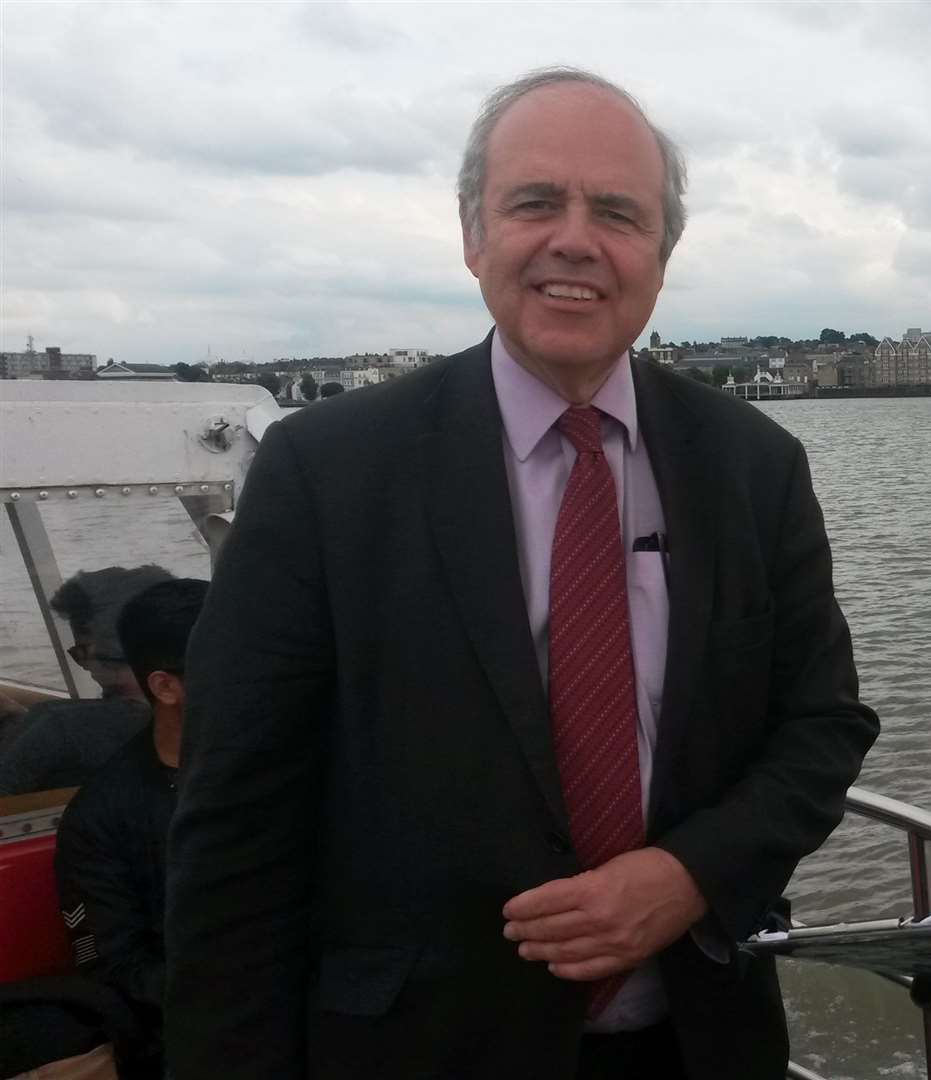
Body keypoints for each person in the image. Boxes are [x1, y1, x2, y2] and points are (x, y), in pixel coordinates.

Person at [166, 67, 879, 1080]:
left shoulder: (754, 466)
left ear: (661, 257)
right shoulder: (326, 473)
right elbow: (236, 827)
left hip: (699, 1043)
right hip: (416, 1049)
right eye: (536, 202)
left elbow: (823, 726)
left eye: (619, 213)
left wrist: (688, 873)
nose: (575, 240)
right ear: (473, 234)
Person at [54, 577, 208, 1079]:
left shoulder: (295, 771)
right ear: (166, 686)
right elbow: (116, 969)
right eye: (235, 668)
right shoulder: (100, 817)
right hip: (195, 1035)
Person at [0, 565, 171, 796]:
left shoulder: (57, 725)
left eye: (79, 651)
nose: (84, 665)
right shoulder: (203, 720)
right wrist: (16, 719)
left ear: (106, 650)